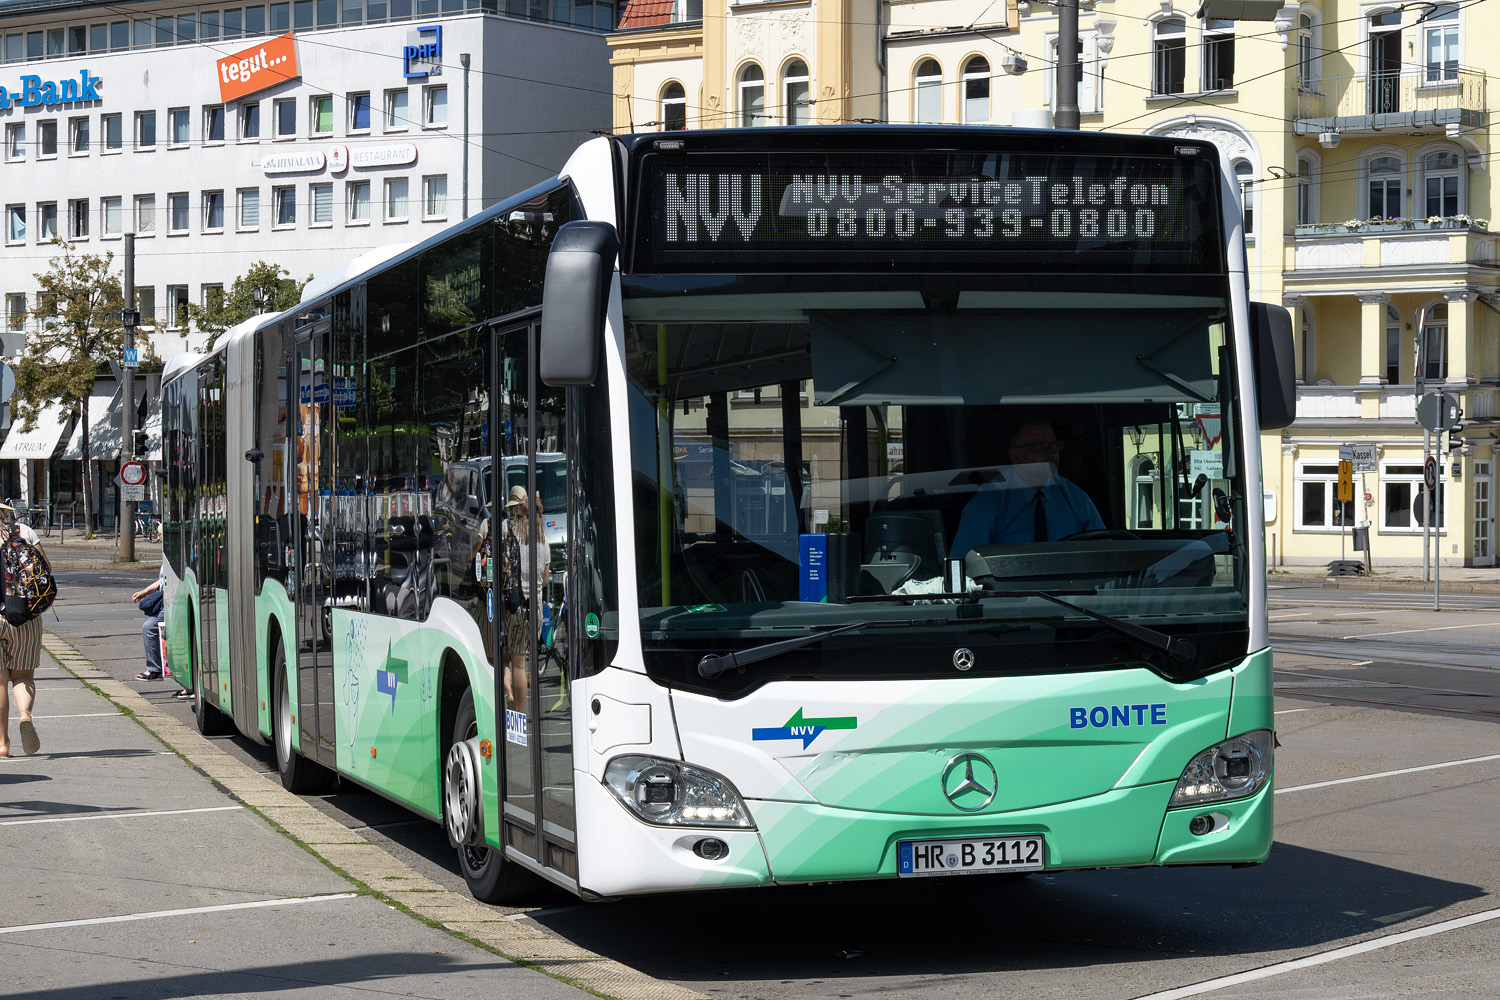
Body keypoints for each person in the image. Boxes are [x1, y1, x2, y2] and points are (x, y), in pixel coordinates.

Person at [949, 418, 1105, 556]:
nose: (1052, 451)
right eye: (1040, 446)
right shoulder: (989, 501)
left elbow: (1106, 554)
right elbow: (963, 566)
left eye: (1054, 444)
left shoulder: (1075, 499)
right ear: (1015, 456)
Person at [0, 502, 45, 757]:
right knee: (22, 677)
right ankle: (24, 715)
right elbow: (44, 572)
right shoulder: (24, 532)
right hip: (24, 617)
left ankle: (2, 744)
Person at [500, 485, 549, 711]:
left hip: (517, 605)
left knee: (517, 665)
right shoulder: (540, 533)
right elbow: (546, 578)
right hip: (536, 606)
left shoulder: (508, 528)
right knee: (528, 664)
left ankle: (518, 716)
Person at [132, 575, 166, 681]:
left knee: (149, 628)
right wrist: (145, 592)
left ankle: (155, 669)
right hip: (167, 600)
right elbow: (162, 580)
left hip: (172, 602)